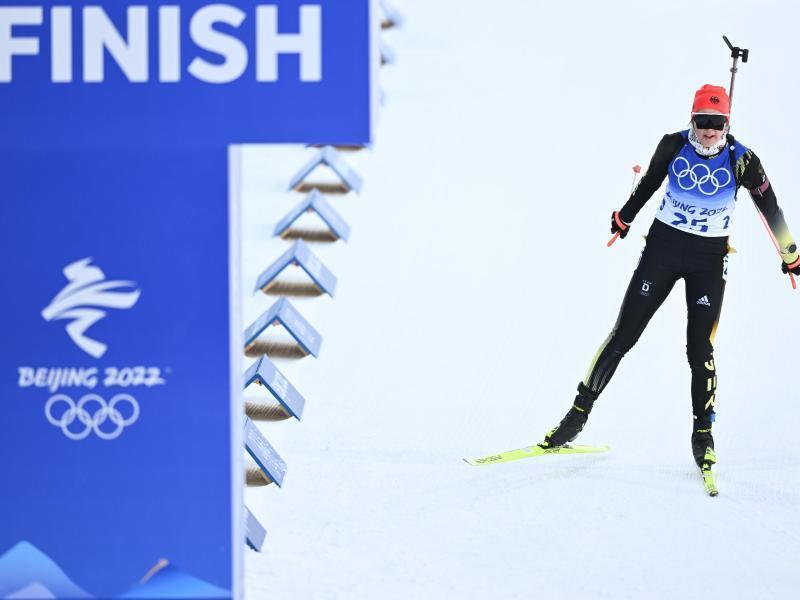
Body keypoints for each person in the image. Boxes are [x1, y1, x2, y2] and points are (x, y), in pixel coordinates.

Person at [539, 84, 800, 470]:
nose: (709, 131)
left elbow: (770, 207)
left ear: (727, 123)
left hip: (707, 263)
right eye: (702, 121)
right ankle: (575, 418)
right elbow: (649, 185)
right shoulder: (672, 145)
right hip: (661, 253)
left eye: (717, 122)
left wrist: (788, 252)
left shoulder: (742, 160)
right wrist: (624, 217)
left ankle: (704, 437)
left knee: (700, 350)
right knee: (623, 334)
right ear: (691, 119)